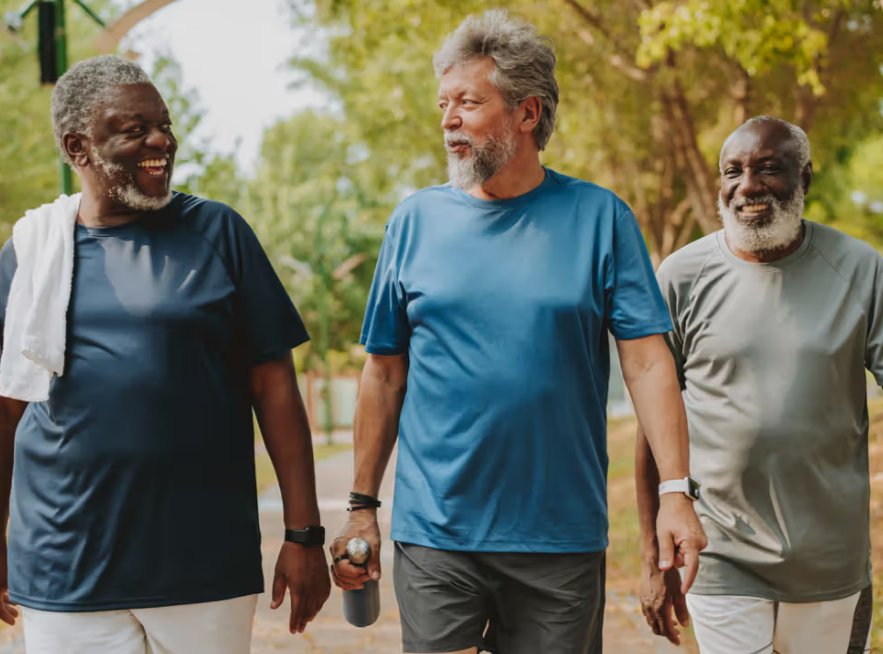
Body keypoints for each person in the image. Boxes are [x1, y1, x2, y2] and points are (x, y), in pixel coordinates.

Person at [330, 10, 706, 654]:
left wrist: (676, 493)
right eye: (444, 103)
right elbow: (385, 372)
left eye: (469, 102)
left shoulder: (600, 219)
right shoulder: (413, 222)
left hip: (559, 538)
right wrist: (362, 502)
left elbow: (647, 364)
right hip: (437, 535)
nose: (448, 118)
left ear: (528, 113)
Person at [0, 55, 330, 654]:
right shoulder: (30, 253)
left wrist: (304, 535)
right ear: (78, 148)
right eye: (135, 130)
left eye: (165, 125)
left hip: (201, 566)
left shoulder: (218, 234)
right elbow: (5, 411)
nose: (162, 142)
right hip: (64, 565)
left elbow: (274, 388)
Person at [637, 116, 877, 654]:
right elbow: (655, 421)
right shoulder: (680, 276)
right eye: (734, 171)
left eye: (769, 169)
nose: (748, 186)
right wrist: (654, 553)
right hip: (717, 552)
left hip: (829, 563)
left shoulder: (861, 271)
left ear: (805, 178)